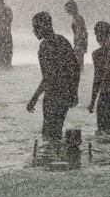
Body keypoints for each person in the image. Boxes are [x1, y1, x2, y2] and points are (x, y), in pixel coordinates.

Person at [27, 12, 80, 141]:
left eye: (35, 27)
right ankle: (61, 158)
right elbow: (76, 68)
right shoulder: (62, 40)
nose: (34, 31)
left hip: (53, 95)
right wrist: (74, 92)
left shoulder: (45, 46)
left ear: (44, 27)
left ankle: (49, 159)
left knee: (49, 134)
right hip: (65, 93)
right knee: (57, 130)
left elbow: (48, 77)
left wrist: (34, 98)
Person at [87, 21, 110, 134]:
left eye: (98, 35)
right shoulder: (97, 54)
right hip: (104, 95)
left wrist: (92, 102)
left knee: (103, 132)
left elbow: (97, 79)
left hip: (105, 97)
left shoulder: (97, 54)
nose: (97, 38)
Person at [65, 0, 88, 73]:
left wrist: (78, 44)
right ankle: (81, 75)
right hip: (79, 42)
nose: (67, 11)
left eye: (68, 9)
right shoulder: (77, 18)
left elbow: (81, 32)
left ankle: (81, 76)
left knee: (79, 62)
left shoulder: (78, 18)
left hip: (79, 43)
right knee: (79, 62)